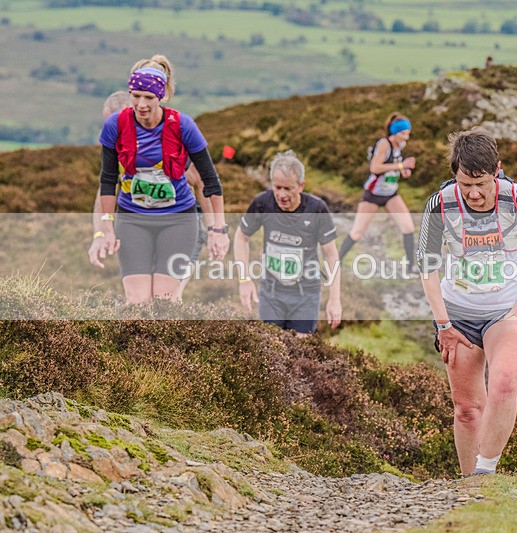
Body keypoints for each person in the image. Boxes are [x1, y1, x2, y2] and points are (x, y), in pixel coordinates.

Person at [416, 129, 517, 476]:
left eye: (482, 183)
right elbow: (426, 266)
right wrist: (443, 325)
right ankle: (470, 490)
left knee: (504, 382)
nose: (475, 193)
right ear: (455, 176)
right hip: (458, 315)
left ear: (498, 169)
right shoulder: (440, 204)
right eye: (466, 184)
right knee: (466, 409)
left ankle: (486, 473)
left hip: (508, 310)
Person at [92, 55, 228, 304]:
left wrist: (218, 230)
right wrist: (105, 227)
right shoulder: (115, 125)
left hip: (178, 220)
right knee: (137, 303)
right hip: (132, 219)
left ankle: (170, 344)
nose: (141, 104)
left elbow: (210, 181)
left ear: (162, 95)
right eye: (135, 95)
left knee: (164, 301)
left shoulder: (183, 125)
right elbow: (108, 178)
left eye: (149, 97)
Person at [234, 150, 342, 336]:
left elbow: (331, 254)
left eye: (288, 188)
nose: (281, 195)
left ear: (301, 186)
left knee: (299, 356)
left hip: (305, 294)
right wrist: (244, 280)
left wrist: (334, 299)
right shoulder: (262, 203)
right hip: (271, 293)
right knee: (271, 351)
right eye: (277, 187)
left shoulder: (317, 209)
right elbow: (241, 237)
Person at [338, 113, 418, 272]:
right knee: (358, 231)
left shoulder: (399, 146)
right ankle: (335, 263)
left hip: (391, 194)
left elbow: (394, 167)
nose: (406, 138)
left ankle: (410, 266)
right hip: (373, 195)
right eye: (403, 134)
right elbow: (375, 168)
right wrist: (401, 166)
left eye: (408, 134)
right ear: (394, 132)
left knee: (408, 227)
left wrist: (403, 171)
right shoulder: (384, 144)